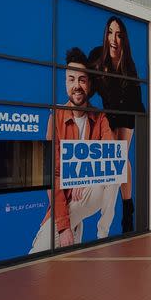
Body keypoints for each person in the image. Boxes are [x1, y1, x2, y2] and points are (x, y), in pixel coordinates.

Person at [30, 48, 116, 253]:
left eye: (82, 80)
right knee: (40, 256)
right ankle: (70, 231)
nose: (76, 85)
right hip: (65, 202)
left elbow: (111, 157)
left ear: (89, 84)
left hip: (89, 194)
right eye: (71, 79)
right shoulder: (56, 117)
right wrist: (63, 225)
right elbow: (51, 175)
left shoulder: (100, 118)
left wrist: (83, 178)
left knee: (108, 180)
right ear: (65, 83)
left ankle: (102, 232)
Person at [89, 16, 145, 234]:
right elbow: (89, 82)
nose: (114, 39)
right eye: (110, 32)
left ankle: (127, 207)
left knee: (121, 156)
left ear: (124, 39)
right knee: (112, 157)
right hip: (109, 111)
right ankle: (107, 203)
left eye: (119, 34)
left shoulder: (128, 67)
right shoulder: (97, 56)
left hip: (126, 111)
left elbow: (133, 100)